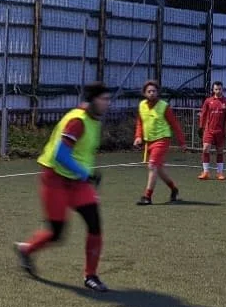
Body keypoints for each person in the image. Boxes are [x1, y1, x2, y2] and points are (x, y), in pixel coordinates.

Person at [15, 82, 114, 292]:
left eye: (108, 99)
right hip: (55, 180)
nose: (107, 103)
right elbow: (61, 155)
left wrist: (85, 176)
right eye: (103, 99)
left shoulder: (94, 120)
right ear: (92, 100)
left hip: (78, 183)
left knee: (95, 224)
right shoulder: (77, 121)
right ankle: (26, 249)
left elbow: (82, 153)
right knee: (57, 234)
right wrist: (86, 173)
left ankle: (91, 276)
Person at [134, 80, 187, 205]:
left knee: (152, 166)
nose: (152, 93)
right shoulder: (141, 105)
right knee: (159, 169)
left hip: (162, 139)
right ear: (144, 93)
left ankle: (147, 197)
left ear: (158, 92)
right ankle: (174, 189)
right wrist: (138, 136)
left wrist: (182, 142)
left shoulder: (164, 106)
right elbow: (140, 123)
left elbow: (174, 125)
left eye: (154, 91)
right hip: (149, 141)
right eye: (149, 91)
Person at [198, 81, 226, 180]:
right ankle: (205, 172)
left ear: (222, 89)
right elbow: (203, 114)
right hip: (209, 130)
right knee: (205, 148)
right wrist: (200, 127)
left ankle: (220, 173)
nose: (218, 91)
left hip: (220, 131)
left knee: (220, 151)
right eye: (216, 89)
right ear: (213, 90)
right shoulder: (208, 101)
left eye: (220, 89)